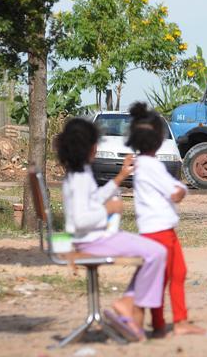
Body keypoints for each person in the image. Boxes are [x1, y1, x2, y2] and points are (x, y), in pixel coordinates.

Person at [56, 118, 167, 342]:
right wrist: (107, 208)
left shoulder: (79, 173)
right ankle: (127, 304)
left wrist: (119, 178)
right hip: (92, 240)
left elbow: (92, 199)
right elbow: (79, 220)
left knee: (153, 253)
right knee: (157, 253)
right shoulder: (79, 178)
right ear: (88, 147)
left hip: (94, 237)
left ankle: (128, 304)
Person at [126, 102, 206, 338]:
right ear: (159, 139)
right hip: (160, 232)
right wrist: (181, 190)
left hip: (156, 230)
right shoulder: (152, 166)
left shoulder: (141, 165)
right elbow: (174, 192)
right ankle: (172, 322)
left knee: (167, 276)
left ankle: (164, 322)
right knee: (172, 275)